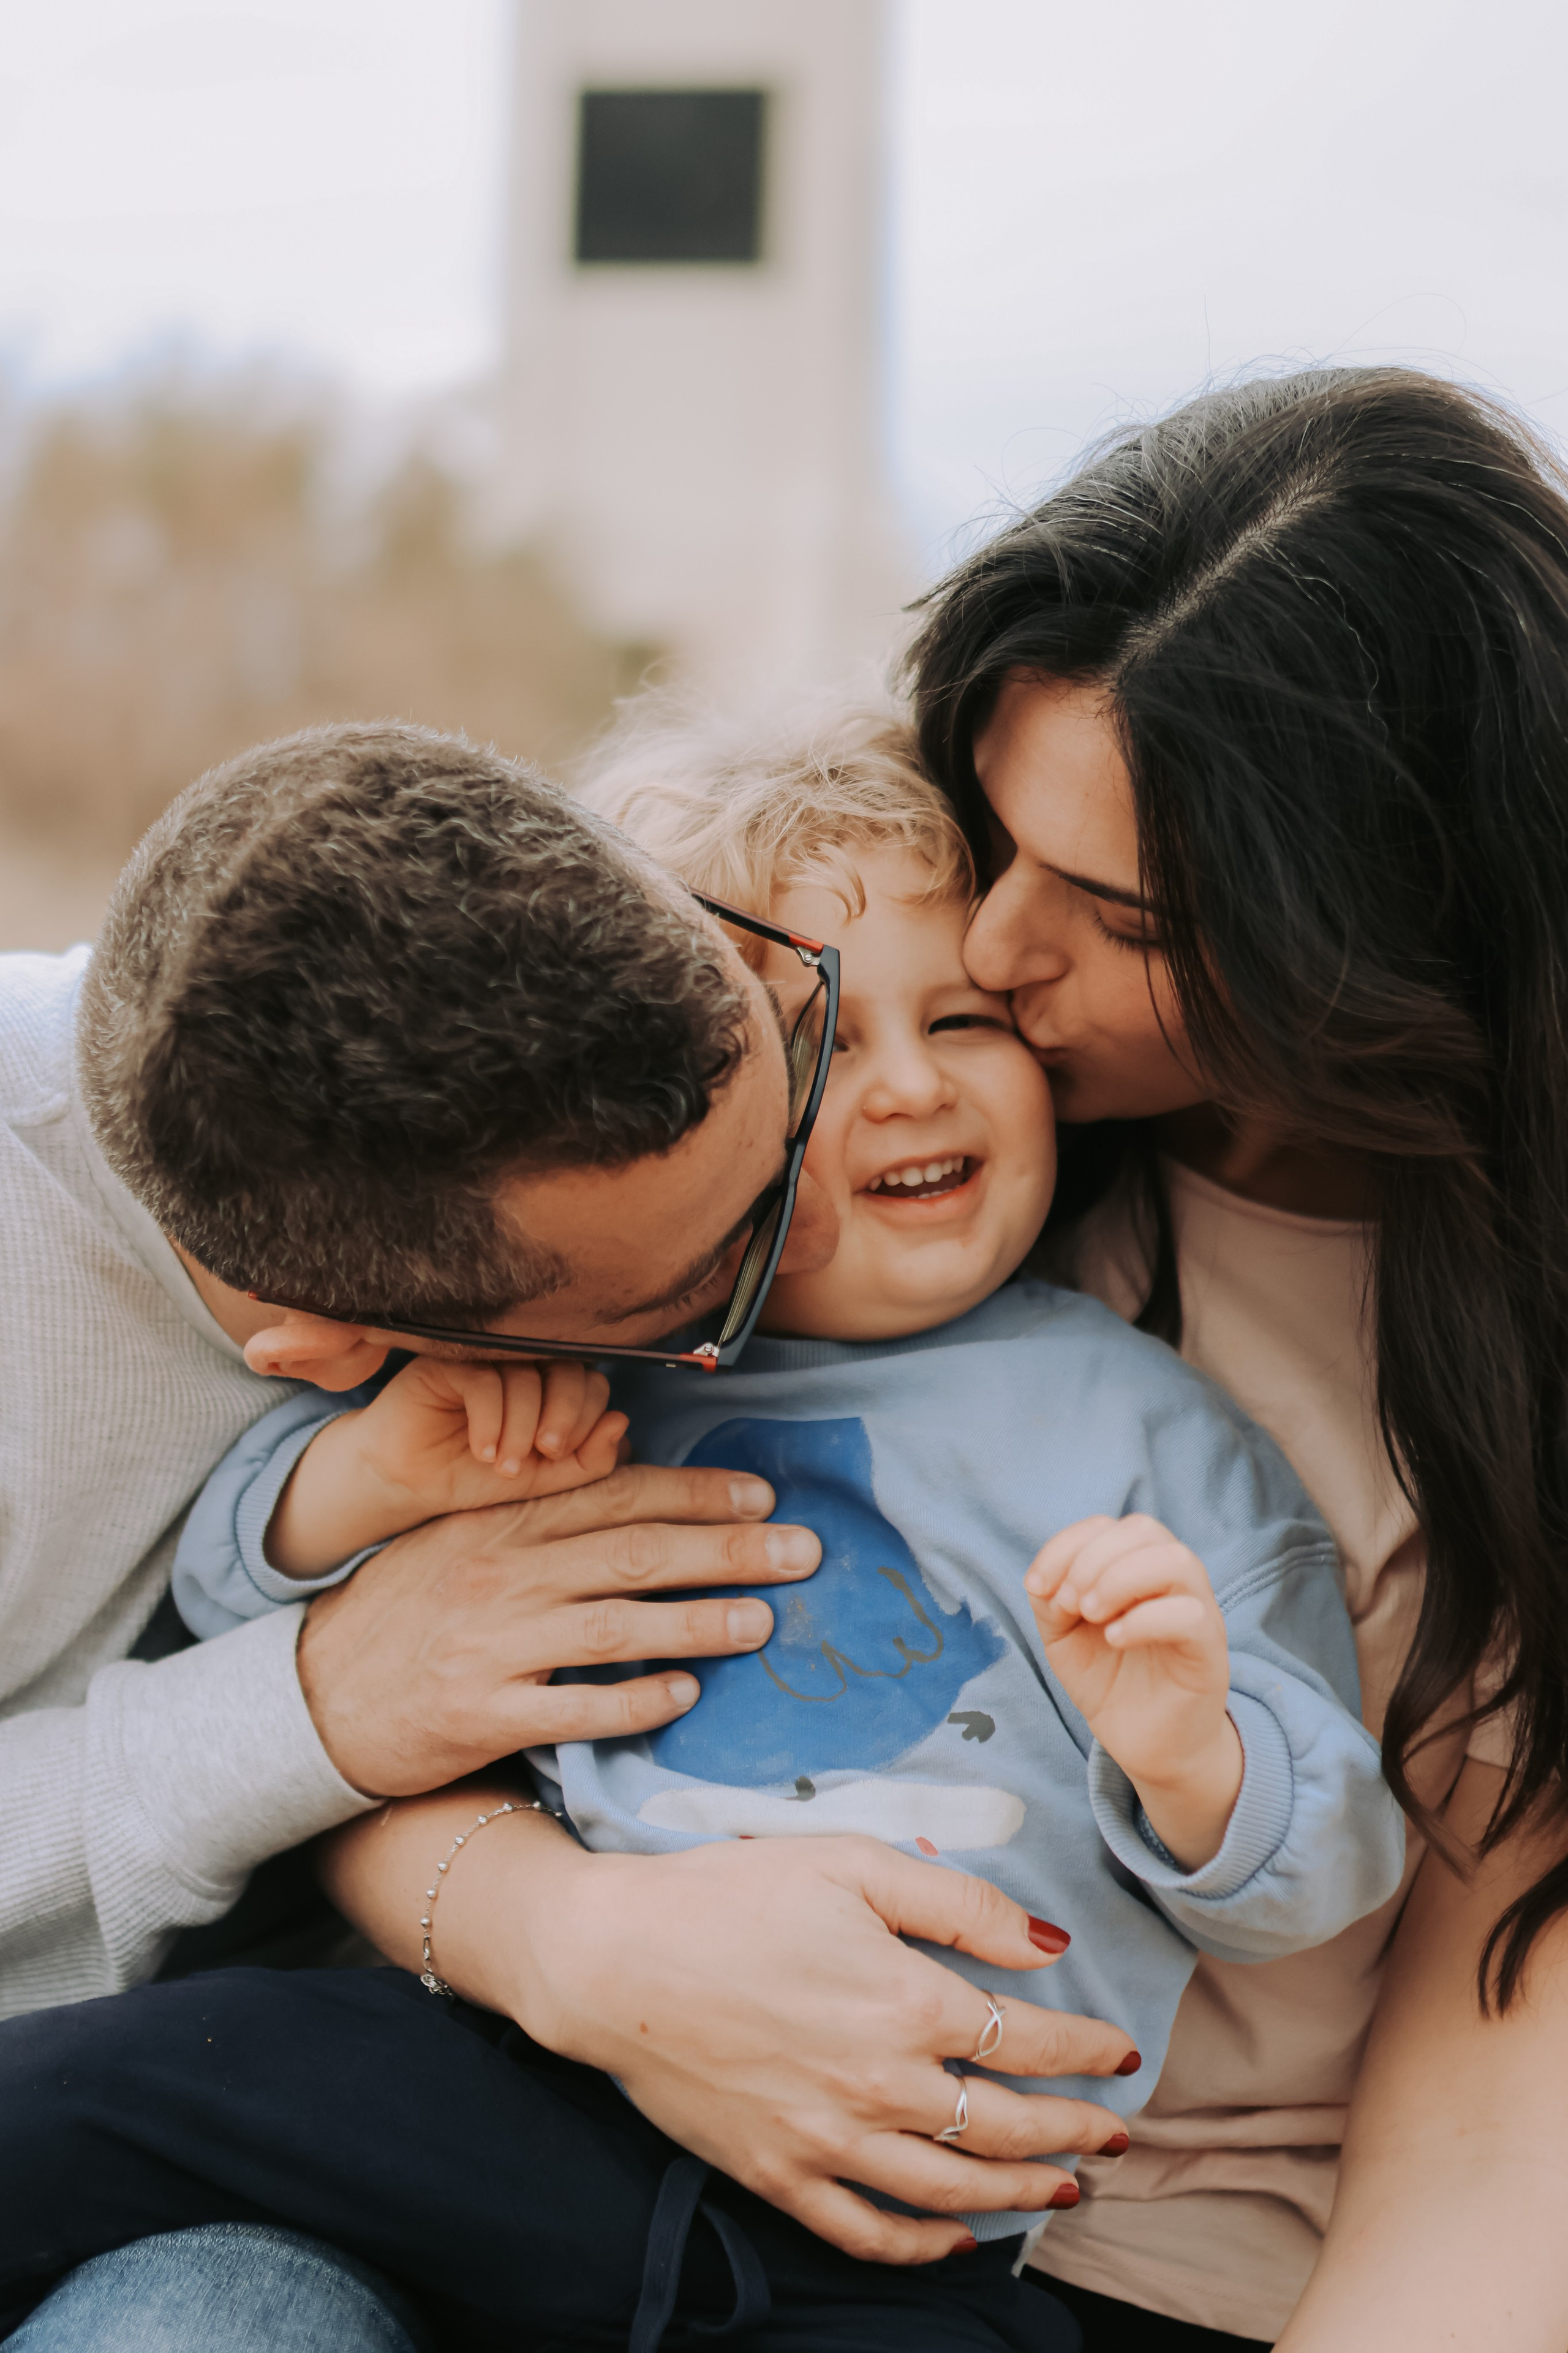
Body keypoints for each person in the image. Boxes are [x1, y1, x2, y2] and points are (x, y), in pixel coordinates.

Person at [0, 719, 1404, 2350]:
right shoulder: (562, 1383)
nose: (899, 1096)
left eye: (959, 1019)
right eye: (822, 1064)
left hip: (903, 2198)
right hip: (514, 2079)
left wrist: (1190, 1758)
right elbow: (244, 1583)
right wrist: (369, 1490)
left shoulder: (1143, 1422)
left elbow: (1326, 1855)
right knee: (158, 2078)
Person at [901, 364, 1568, 2346]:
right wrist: (572, 1941)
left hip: (1147, 2276)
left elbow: (1489, 2138)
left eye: (1122, 915)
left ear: (1373, 941)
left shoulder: (1516, 1393)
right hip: (624, 2128)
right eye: (993, 830)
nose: (996, 950)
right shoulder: (880, 1084)